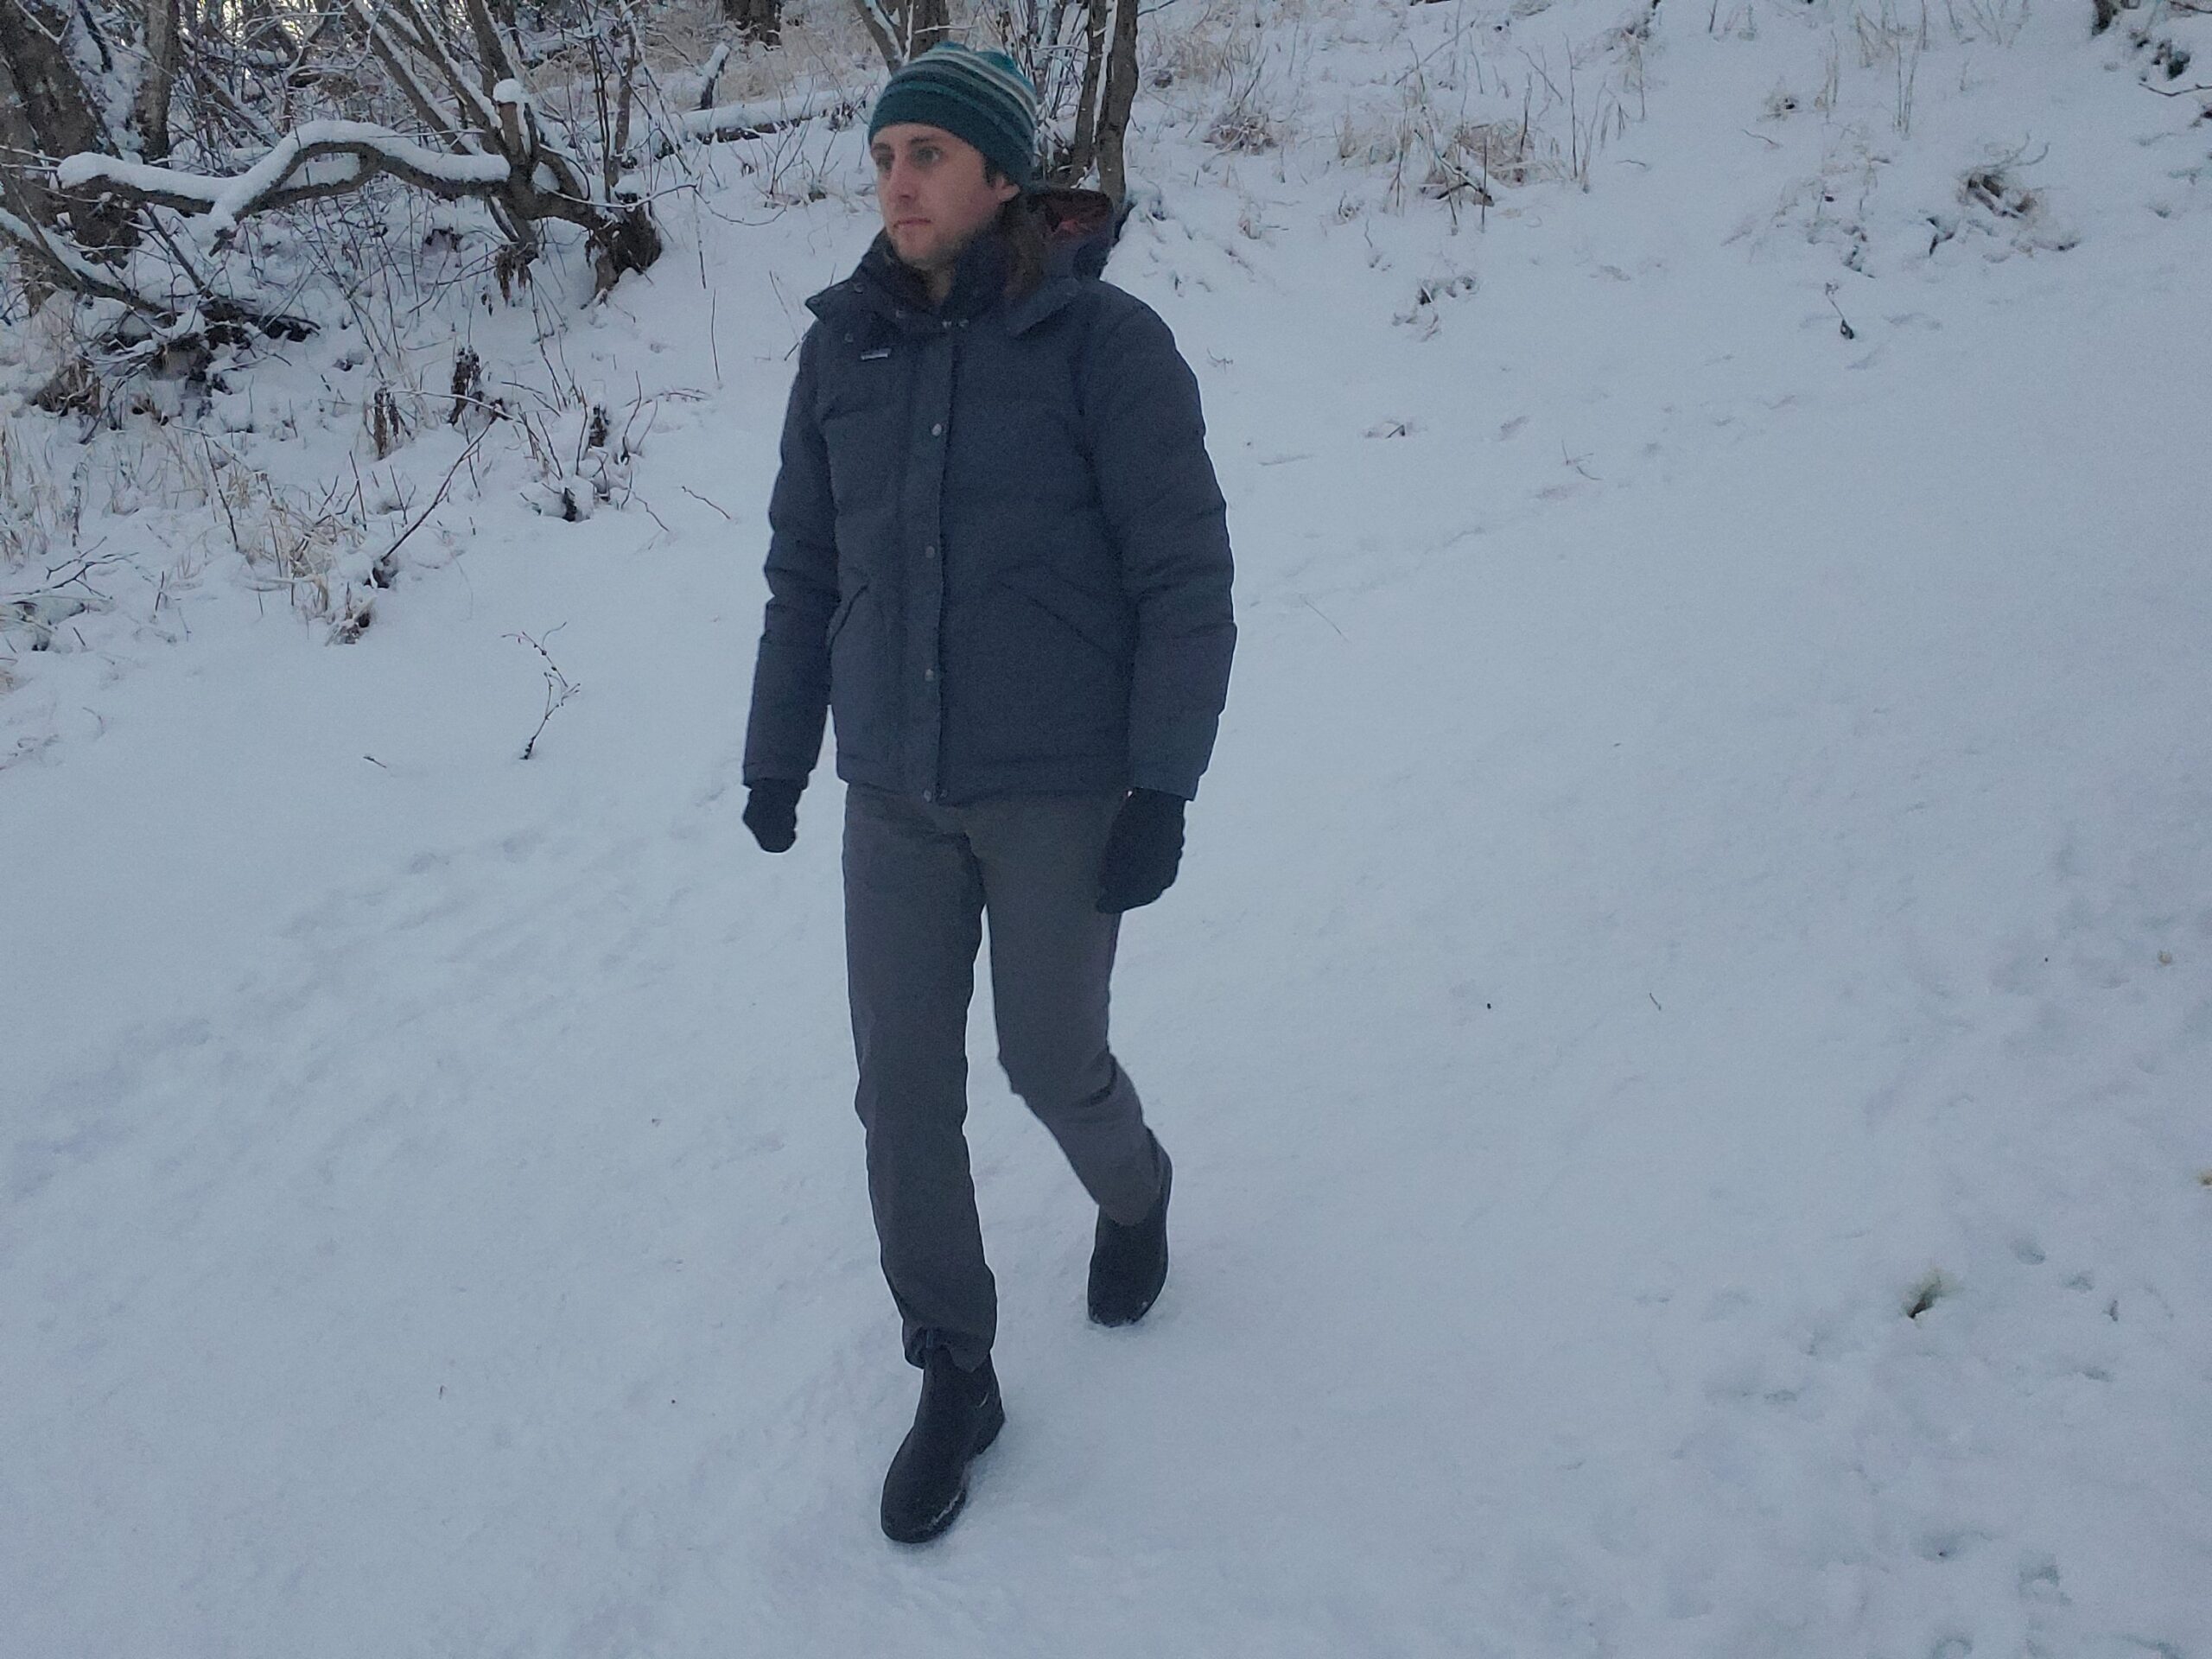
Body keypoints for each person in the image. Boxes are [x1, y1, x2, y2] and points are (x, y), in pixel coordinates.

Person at [740, 41, 1236, 1545]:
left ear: (1002, 178)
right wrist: (778, 748)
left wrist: (1164, 781)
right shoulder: (845, 350)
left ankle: (1134, 1190)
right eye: (885, 154)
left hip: (1060, 790)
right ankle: (956, 1364)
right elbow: (804, 569)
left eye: (929, 157)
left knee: (1047, 1058)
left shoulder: (1107, 348)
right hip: (892, 785)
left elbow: (1185, 580)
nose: (896, 181)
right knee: (900, 1095)